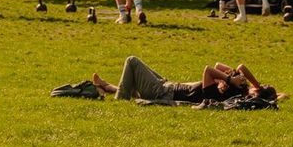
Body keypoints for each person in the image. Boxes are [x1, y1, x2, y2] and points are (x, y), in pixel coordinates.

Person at [90, 57, 276, 104]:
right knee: (135, 83)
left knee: (132, 61)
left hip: (164, 91)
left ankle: (119, 100)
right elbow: (234, 67)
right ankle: (106, 86)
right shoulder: (236, 90)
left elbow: (209, 69)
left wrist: (229, 79)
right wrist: (256, 86)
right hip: (168, 85)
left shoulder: (223, 93)